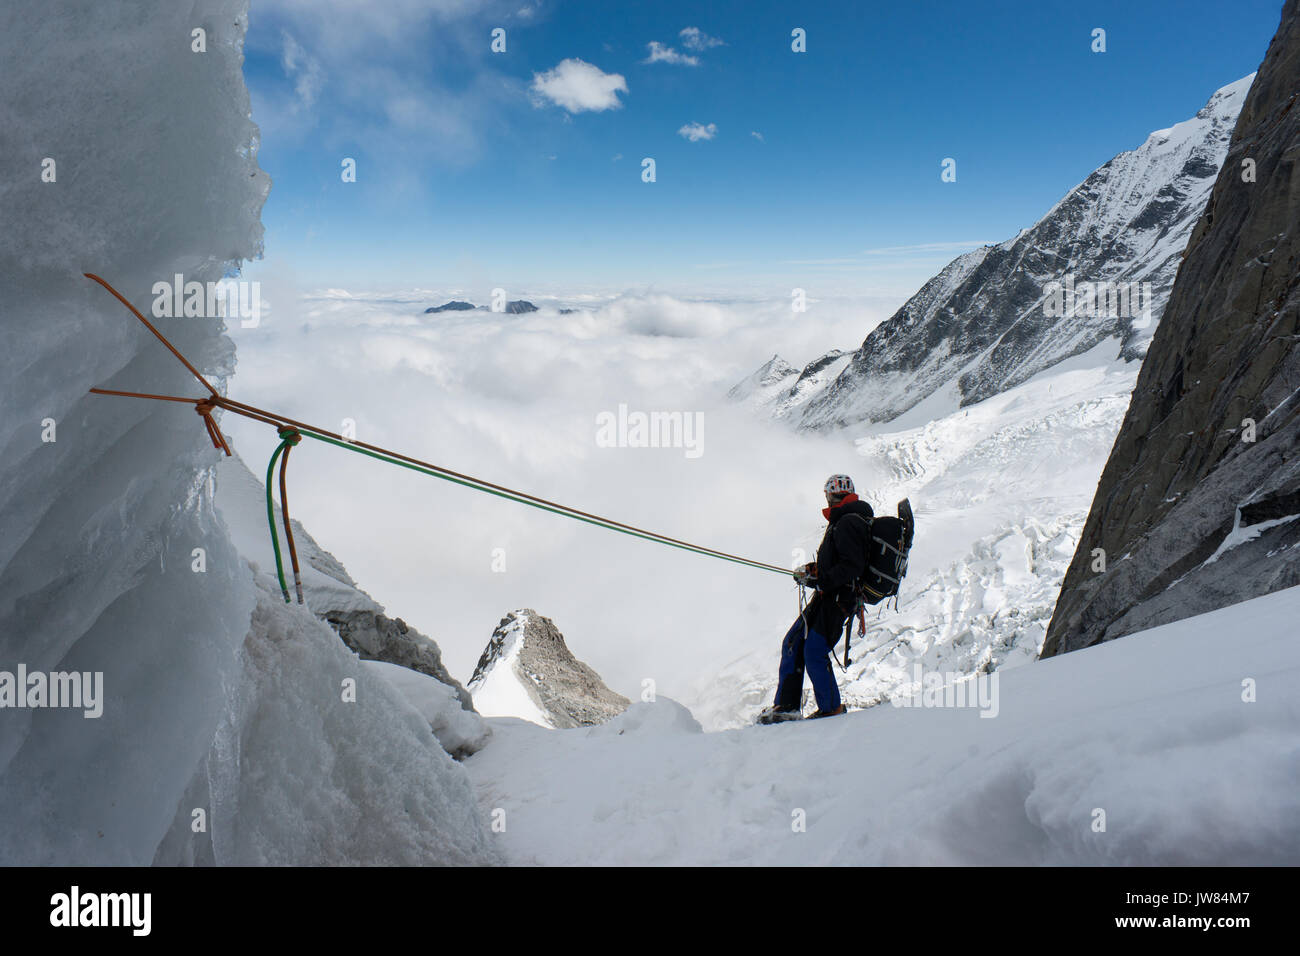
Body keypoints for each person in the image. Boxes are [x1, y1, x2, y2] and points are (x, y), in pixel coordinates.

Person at [758, 474, 874, 723]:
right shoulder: (845, 520)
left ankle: (830, 709)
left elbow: (851, 567)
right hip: (831, 597)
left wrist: (819, 580)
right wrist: (816, 571)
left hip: (837, 599)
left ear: (832, 495)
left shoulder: (847, 522)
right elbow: (841, 563)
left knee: (813, 649)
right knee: (795, 641)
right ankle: (787, 707)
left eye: (827, 495)